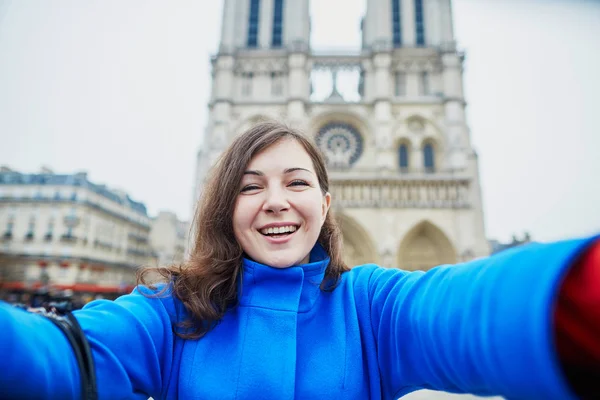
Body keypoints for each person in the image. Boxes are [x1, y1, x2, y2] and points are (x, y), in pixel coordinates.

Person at [0, 121, 599, 400]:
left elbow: (461, 311)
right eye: (251, 185)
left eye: (297, 181)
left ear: (326, 202)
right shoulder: (170, 315)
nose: (278, 201)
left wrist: (575, 299)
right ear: (223, 207)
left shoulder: (370, 309)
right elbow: (64, 355)